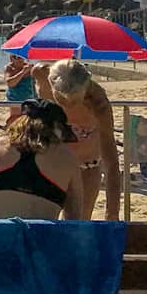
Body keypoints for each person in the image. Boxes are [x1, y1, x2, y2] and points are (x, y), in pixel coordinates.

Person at [0, 99, 87, 221]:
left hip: (1, 238)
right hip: (43, 239)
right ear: (57, 129)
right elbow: (74, 218)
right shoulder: (66, 157)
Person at [34, 58, 121, 220]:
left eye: (75, 100)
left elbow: (111, 164)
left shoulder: (98, 104)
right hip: (51, 162)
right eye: (62, 99)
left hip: (86, 166)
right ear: (51, 84)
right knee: (43, 223)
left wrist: (112, 214)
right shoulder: (40, 73)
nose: (68, 105)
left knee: (76, 225)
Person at [3, 55, 35, 122]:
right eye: (15, 57)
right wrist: (23, 72)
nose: (18, 59)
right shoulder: (9, 68)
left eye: (20, 57)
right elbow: (10, 83)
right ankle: (7, 127)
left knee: (30, 118)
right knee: (15, 118)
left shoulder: (30, 68)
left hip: (30, 96)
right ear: (11, 58)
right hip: (15, 96)